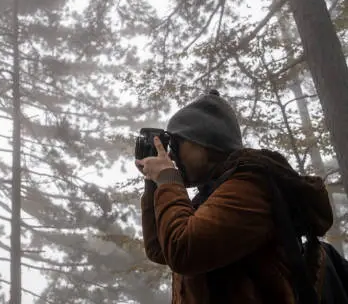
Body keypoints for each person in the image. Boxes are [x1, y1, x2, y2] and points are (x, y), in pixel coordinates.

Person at [137, 90, 334, 304]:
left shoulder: (251, 187)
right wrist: (154, 183)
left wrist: (167, 178)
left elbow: (183, 251)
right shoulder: (210, 195)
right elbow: (160, 249)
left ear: (204, 143)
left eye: (176, 144)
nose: (171, 155)